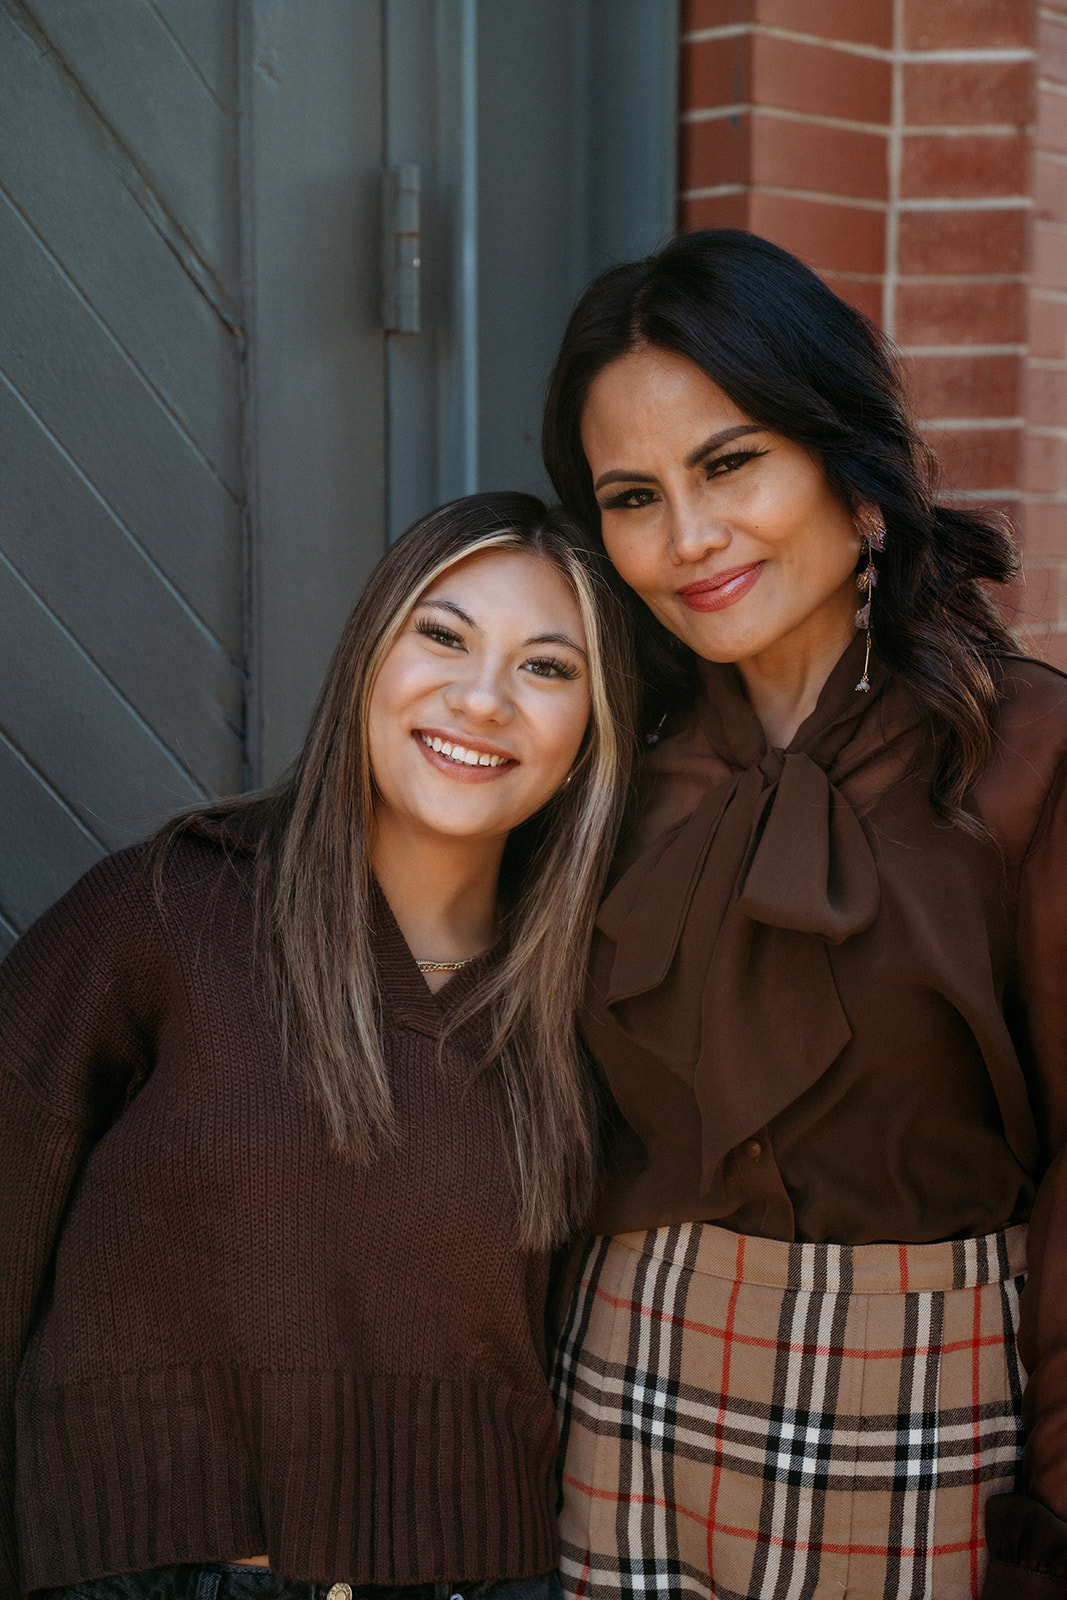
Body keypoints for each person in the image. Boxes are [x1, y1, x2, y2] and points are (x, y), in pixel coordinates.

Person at [539, 229, 1067, 1600]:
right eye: (630, 495)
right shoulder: (605, 763)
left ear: (851, 473)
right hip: (621, 1393)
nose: (687, 537)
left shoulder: (1025, 756)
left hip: (925, 1419)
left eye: (727, 463)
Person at [0, 493, 637, 1600]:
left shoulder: (593, 1005)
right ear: (367, 657)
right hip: (136, 1569)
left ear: (593, 734)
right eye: (441, 634)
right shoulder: (169, 913)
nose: (479, 698)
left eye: (547, 667)